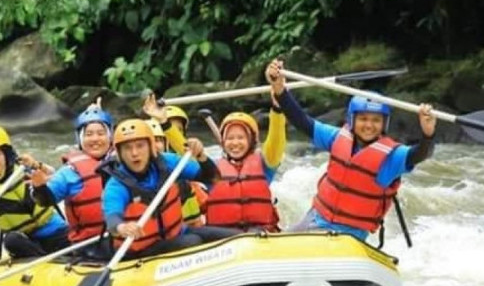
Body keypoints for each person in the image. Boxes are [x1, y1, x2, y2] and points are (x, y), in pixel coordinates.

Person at [266, 58, 437, 240]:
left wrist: (428, 135)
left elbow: (419, 154)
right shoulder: (337, 137)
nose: (369, 125)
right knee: (276, 244)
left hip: (350, 235)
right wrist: (280, 90)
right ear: (352, 120)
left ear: (384, 124)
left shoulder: (391, 157)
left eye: (376, 120)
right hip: (316, 219)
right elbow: (302, 121)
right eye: (363, 118)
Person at [100, 119, 234, 258]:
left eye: (140, 146)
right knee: (192, 242)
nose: (134, 153)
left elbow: (211, 178)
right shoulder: (116, 184)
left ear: (150, 147)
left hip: (176, 234)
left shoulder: (167, 162)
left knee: (234, 238)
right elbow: (112, 217)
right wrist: (121, 228)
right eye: (127, 148)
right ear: (119, 153)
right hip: (139, 252)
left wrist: (201, 156)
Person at [0, 125, 69, 258]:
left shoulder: (23, 168)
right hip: (25, 242)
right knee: (11, 240)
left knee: (74, 237)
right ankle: (44, 261)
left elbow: (55, 175)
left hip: (54, 231)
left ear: (6, 154)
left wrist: (36, 164)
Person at [31, 103, 114, 251]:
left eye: (101, 133)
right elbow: (46, 200)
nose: (95, 139)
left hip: (126, 238)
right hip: (90, 246)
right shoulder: (69, 172)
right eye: (89, 134)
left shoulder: (125, 160)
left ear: (110, 137)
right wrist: (39, 188)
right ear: (80, 139)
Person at [205, 108, 285, 233]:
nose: (235, 143)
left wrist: (277, 111)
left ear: (251, 141)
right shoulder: (212, 168)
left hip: (260, 234)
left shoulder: (266, 164)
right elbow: (185, 155)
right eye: (230, 138)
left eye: (241, 137)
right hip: (221, 238)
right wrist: (166, 125)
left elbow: (276, 140)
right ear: (223, 142)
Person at [146, 118, 209, 227]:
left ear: (165, 144)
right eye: (150, 141)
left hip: (181, 233)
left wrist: (200, 155)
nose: (155, 146)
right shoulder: (126, 179)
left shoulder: (183, 180)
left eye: (158, 140)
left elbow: (209, 175)